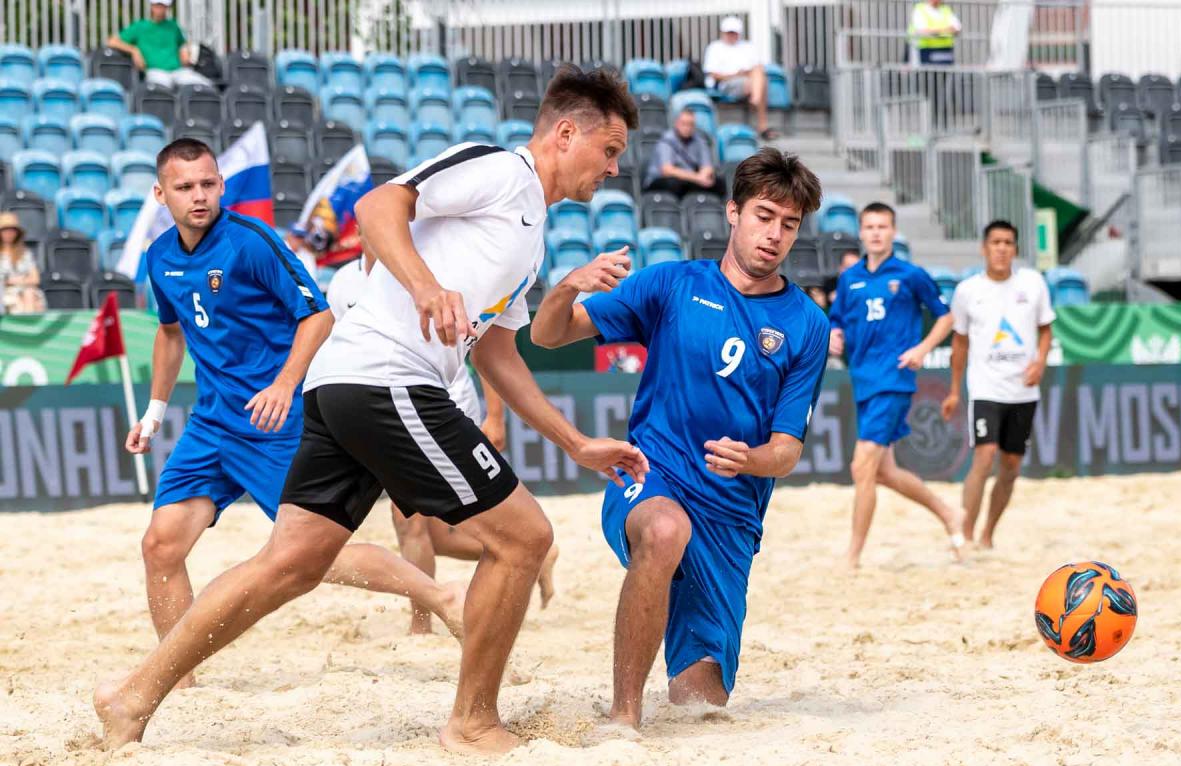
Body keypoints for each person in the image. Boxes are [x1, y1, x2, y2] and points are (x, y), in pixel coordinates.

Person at [95, 66, 649, 756]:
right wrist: (424, 286)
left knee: (291, 562)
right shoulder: (501, 171)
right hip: (389, 378)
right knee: (524, 538)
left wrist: (574, 442)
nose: (614, 168)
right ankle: (473, 722)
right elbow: (380, 204)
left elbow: (497, 354)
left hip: (346, 383)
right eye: (609, 150)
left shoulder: (529, 239)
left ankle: (131, 696)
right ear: (566, 134)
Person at [125, 138, 465, 689]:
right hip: (211, 424)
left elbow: (318, 316)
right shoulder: (159, 255)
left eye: (208, 183)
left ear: (222, 185)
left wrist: (285, 385)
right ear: (161, 194)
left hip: (275, 423)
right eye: (185, 187)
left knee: (315, 554)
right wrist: (155, 411)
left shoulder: (252, 242)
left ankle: (442, 597)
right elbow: (169, 334)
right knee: (160, 546)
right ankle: (179, 686)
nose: (199, 195)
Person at [531, 148, 828, 729]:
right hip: (653, 477)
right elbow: (547, 335)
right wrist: (568, 286)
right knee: (665, 531)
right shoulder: (673, 284)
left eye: (789, 224)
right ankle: (623, 717)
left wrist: (750, 459)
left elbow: (787, 451)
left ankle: (675, 658)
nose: (775, 235)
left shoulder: (807, 325)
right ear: (733, 213)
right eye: (764, 216)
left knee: (699, 704)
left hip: (731, 518)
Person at [324, 249, 557, 636]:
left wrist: (495, 416)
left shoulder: (435, 267)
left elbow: (487, 345)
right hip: (381, 397)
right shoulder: (344, 283)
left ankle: (422, 624)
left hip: (442, 401)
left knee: (410, 521)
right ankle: (535, 555)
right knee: (432, 534)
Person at [828, 202, 965, 570]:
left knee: (862, 467)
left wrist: (922, 349)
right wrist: (834, 334)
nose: (876, 233)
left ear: (893, 232)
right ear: (861, 232)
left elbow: (946, 317)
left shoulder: (909, 274)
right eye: (870, 227)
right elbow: (836, 320)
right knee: (883, 472)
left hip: (893, 380)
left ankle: (852, 558)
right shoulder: (849, 278)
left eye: (882, 226)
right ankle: (949, 514)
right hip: (863, 380)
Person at [941, 221, 1054, 548]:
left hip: (1023, 391)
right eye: (995, 242)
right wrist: (953, 390)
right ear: (984, 248)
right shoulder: (968, 291)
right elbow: (959, 343)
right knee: (985, 455)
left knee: (1011, 465)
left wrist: (1040, 362)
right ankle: (965, 535)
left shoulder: (1033, 284)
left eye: (1008, 242)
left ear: (1015, 249)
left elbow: (1046, 329)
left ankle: (988, 533)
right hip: (985, 388)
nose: (1002, 248)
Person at [107, 0, 211, 89]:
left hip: (179, 71)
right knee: (161, 89)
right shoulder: (140, 26)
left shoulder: (173, 26)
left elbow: (182, 46)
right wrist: (134, 50)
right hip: (155, 71)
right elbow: (111, 41)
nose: (160, 9)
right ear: (152, 6)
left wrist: (185, 52)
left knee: (205, 86)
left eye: (163, 6)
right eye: (158, 5)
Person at [703, 16, 776, 140]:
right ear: (723, 32)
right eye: (729, 32)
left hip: (748, 81)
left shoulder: (748, 47)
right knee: (760, 82)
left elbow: (757, 68)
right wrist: (736, 75)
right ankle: (762, 124)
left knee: (759, 74)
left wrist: (745, 74)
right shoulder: (715, 47)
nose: (732, 35)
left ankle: (755, 99)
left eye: (734, 32)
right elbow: (712, 74)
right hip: (725, 83)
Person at [642, 109, 724, 199]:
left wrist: (704, 175)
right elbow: (667, 170)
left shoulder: (699, 141)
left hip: (689, 180)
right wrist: (697, 178)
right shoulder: (666, 140)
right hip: (661, 180)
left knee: (718, 183)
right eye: (684, 124)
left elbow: (707, 166)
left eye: (690, 124)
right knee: (674, 184)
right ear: (676, 123)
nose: (687, 127)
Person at [0, 212, 45, 314]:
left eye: (12, 230)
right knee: (19, 300)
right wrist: (9, 281)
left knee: (29, 294)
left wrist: (17, 281)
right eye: (5, 230)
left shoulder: (25, 253)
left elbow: (35, 279)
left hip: (27, 292)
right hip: (4, 294)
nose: (9, 233)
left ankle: (28, 320)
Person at [909, 0, 962, 66]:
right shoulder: (920, 9)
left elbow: (957, 28)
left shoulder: (946, 9)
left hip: (946, 50)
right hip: (927, 50)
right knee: (929, 72)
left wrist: (935, 31)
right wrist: (946, 30)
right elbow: (922, 30)